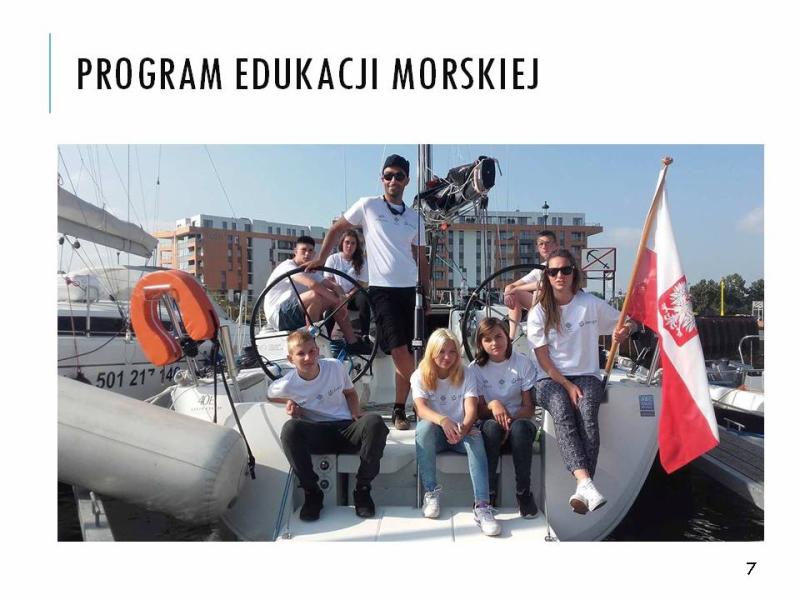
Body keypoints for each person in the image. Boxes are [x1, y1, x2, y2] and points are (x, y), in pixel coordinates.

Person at [304, 154, 431, 430]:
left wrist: (427, 293)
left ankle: (400, 409)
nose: (393, 180)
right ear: (381, 179)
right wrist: (322, 258)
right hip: (382, 290)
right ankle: (429, 396)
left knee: (410, 351)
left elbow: (421, 258)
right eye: (388, 175)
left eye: (398, 176)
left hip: (411, 290)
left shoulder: (415, 218)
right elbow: (337, 228)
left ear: (407, 180)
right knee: (399, 350)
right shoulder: (368, 206)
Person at [527, 249, 636, 514]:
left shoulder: (590, 304)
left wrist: (624, 331)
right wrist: (567, 385)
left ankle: (583, 486)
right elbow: (543, 360)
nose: (560, 276)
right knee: (561, 406)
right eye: (553, 271)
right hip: (548, 379)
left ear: (574, 273)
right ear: (547, 276)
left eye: (565, 270)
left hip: (587, 375)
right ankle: (587, 484)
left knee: (587, 414)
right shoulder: (539, 312)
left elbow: (629, 322)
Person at [270, 329, 389, 521]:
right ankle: (312, 493)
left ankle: (362, 489)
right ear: (290, 359)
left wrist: (355, 412)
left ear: (318, 351)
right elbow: (269, 395)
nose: (308, 358)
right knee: (290, 430)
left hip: (346, 427)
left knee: (375, 422)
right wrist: (289, 401)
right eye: (301, 353)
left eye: (312, 351)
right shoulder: (286, 384)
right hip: (318, 432)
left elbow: (350, 393)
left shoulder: (335, 367)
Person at [412, 328, 501, 536]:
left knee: (476, 437)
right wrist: (443, 421)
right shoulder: (420, 375)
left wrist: (465, 427)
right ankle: (431, 493)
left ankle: (482, 505)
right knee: (424, 427)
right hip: (437, 434)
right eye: (442, 351)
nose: (447, 357)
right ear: (432, 352)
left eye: (452, 352)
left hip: (461, 433)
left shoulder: (466, 373)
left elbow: (471, 409)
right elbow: (421, 409)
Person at [469, 317, 538, 518]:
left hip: (519, 427)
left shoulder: (523, 363)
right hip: (492, 431)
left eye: (498, 336)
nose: (494, 343)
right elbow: (478, 411)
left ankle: (524, 495)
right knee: (491, 428)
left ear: (507, 337)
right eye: (487, 339)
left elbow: (528, 408)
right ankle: (487, 495)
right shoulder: (474, 369)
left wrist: (508, 420)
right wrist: (493, 404)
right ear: (480, 343)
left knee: (520, 429)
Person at [264, 235, 370, 354]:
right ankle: (311, 342)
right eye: (303, 250)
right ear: (295, 251)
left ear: (314, 254)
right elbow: (312, 284)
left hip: (296, 313)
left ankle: (353, 343)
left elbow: (333, 285)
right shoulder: (288, 266)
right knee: (315, 295)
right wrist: (338, 302)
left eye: (310, 251)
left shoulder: (309, 270)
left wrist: (341, 297)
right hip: (279, 315)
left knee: (332, 295)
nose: (307, 254)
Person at [503, 230, 559, 339]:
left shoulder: (562, 263)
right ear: (538, 248)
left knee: (537, 292)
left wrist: (516, 289)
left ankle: (537, 325)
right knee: (514, 294)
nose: (544, 246)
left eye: (548, 243)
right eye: (541, 244)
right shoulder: (539, 269)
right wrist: (508, 292)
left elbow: (546, 284)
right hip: (544, 308)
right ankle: (512, 338)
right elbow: (512, 286)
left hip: (560, 306)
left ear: (556, 246)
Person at [323, 229, 371, 341]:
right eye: (347, 242)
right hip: (337, 293)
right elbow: (329, 279)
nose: (349, 246)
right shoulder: (333, 259)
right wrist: (341, 294)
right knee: (332, 306)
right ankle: (325, 337)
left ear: (357, 246)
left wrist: (349, 295)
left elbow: (361, 283)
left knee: (364, 300)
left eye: (353, 243)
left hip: (354, 295)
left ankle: (365, 335)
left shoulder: (362, 261)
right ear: (342, 243)